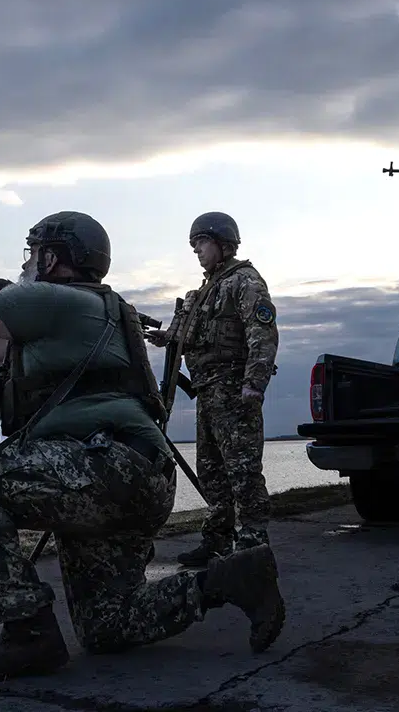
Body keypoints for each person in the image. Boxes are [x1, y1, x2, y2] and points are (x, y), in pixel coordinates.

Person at [0, 210, 286, 682]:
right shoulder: (93, 305)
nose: (28, 263)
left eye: (33, 253)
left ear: (52, 259)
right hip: (132, 478)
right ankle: (229, 580)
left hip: (104, 466)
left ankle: (27, 633)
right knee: (106, 626)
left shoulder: (53, 298)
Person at [146, 211, 279, 567]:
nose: (197, 251)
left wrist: (254, 383)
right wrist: (168, 337)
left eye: (201, 243)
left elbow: (262, 333)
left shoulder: (245, 282)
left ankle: (252, 546)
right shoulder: (206, 290)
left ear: (222, 243)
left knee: (243, 470)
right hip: (207, 392)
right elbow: (194, 336)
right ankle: (217, 541)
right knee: (212, 472)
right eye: (194, 246)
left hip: (235, 391)